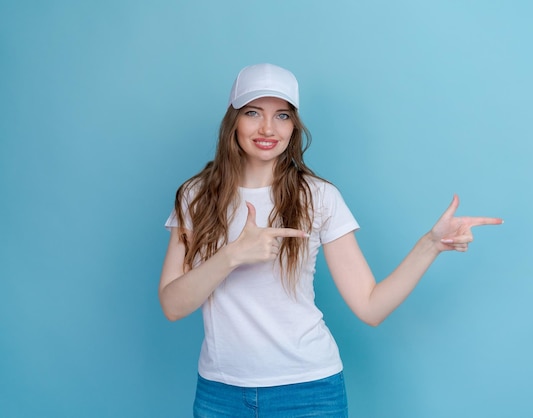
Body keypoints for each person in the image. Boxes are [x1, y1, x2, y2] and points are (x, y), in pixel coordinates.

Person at [159, 63, 503, 417]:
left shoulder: (318, 197)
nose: (267, 128)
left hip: (309, 393)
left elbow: (370, 306)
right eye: (252, 112)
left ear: (294, 126)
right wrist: (230, 256)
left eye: (281, 115)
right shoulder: (196, 196)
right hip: (220, 395)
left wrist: (430, 245)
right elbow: (172, 305)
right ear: (233, 120)